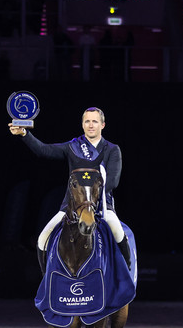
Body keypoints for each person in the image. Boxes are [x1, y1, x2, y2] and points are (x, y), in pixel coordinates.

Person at [8, 107, 130, 268]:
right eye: (87, 121)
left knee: (117, 230)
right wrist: (25, 134)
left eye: (95, 121)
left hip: (101, 205)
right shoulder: (73, 146)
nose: (91, 125)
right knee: (43, 238)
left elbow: (113, 181)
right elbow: (44, 150)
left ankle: (126, 269)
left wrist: (92, 200)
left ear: (103, 125)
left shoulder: (112, 149)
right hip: (71, 205)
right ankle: (47, 278)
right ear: (82, 125)